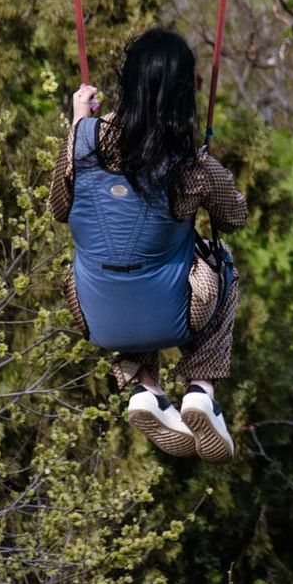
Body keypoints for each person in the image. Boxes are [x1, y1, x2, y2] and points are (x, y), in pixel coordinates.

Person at [49, 28, 247, 460]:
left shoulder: (81, 141)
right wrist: (214, 174)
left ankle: (146, 387)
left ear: (128, 82)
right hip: (174, 313)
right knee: (222, 264)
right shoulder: (192, 166)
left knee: (116, 263)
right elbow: (234, 219)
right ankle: (201, 390)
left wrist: (79, 126)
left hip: (96, 315)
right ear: (183, 95)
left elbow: (59, 207)